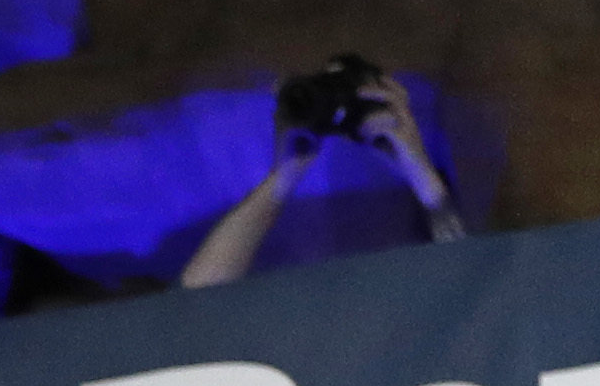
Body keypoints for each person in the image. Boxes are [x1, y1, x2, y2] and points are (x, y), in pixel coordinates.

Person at [179, 60, 468, 288]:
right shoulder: (281, 204)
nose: (334, 101)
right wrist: (284, 174)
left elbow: (471, 282)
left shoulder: (408, 192)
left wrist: (419, 170)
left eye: (348, 86)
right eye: (320, 87)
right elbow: (194, 300)